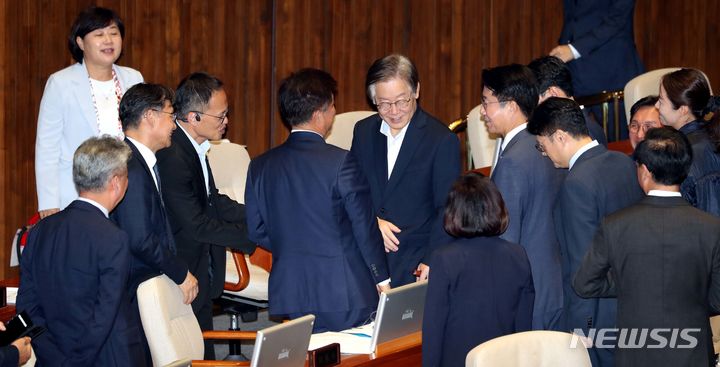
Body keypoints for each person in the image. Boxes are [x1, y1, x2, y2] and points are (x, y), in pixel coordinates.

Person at [245, 68, 390, 332]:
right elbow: (364, 226)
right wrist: (382, 278)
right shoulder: (341, 161)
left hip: (292, 290)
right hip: (344, 289)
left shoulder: (259, 166)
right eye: (333, 106)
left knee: (309, 356)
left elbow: (256, 230)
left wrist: (295, 246)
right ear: (318, 113)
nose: (334, 113)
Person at [574, 127, 720, 367]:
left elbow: (584, 283)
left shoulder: (615, 225)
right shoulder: (711, 227)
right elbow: (717, 299)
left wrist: (630, 280)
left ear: (644, 171)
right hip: (693, 354)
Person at [528, 97, 643, 366]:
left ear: (559, 137)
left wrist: (582, 327)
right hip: (632, 302)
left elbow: (584, 263)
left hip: (599, 316)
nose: (544, 154)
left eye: (542, 146)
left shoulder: (577, 183)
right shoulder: (623, 162)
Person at [18, 136, 147, 366]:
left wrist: (56, 358)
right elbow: (104, 315)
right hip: (106, 358)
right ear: (116, 182)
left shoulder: (39, 231)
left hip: (52, 359)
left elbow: (27, 306)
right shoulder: (113, 238)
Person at [156, 72, 255, 358]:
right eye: (221, 116)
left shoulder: (194, 146)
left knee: (203, 348)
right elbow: (196, 224)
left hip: (199, 266)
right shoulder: (172, 155)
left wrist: (262, 215)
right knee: (194, 354)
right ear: (193, 117)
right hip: (181, 271)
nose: (227, 122)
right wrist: (254, 235)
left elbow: (213, 202)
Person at [349, 54, 461, 286]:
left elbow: (448, 208)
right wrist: (373, 222)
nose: (394, 111)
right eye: (384, 104)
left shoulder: (440, 140)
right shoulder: (363, 131)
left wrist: (431, 259)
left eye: (402, 101)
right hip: (367, 254)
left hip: (415, 259)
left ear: (416, 91)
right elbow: (353, 191)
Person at [111, 83, 198, 364]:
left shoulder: (141, 161)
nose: (174, 124)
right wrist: (181, 272)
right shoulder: (131, 168)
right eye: (171, 115)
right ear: (150, 116)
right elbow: (139, 238)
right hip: (137, 288)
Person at [35, 6, 143, 218]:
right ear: (80, 42)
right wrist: (48, 202)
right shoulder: (61, 83)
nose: (109, 40)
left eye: (114, 33)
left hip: (127, 190)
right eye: (99, 34)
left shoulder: (133, 79)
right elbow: (47, 148)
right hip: (75, 193)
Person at [481, 64, 563, 330]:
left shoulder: (514, 160)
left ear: (512, 106)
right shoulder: (542, 143)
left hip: (529, 292)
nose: (483, 112)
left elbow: (506, 239)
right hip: (553, 283)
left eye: (486, 102)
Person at [422, 173, 534, 367]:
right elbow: (524, 324)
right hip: (504, 360)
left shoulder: (444, 259)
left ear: (454, 212)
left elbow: (434, 328)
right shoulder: (518, 255)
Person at [549, 0, 644, 141]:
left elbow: (617, 19)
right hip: (574, 70)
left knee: (620, 143)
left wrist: (574, 49)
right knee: (575, 140)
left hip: (610, 69)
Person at [656, 68, 720, 214]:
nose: (656, 106)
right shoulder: (712, 134)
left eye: (661, 100)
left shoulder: (681, 155)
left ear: (683, 110)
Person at [528, 55, 607, 146]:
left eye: (534, 100)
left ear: (553, 94)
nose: (532, 108)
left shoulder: (583, 134)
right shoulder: (581, 126)